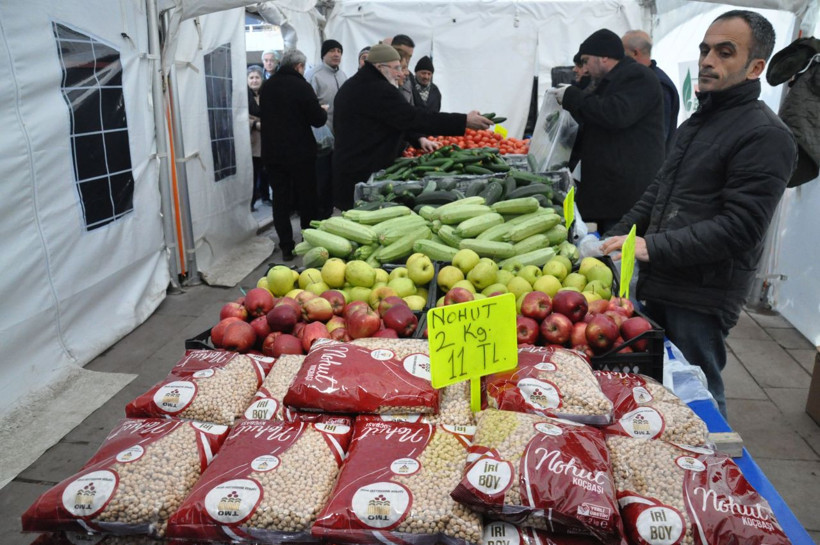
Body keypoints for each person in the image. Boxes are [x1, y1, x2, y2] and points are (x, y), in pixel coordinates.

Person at [600, 10, 798, 419]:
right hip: (663, 281)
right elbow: (658, 192)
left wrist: (650, 246)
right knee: (660, 393)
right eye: (705, 49)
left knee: (697, 398)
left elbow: (740, 227)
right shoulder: (698, 122)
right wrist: (614, 238)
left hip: (703, 295)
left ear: (755, 67)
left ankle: (720, 473)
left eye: (725, 53)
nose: (708, 60)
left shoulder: (766, 135)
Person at [332, 44, 492, 210]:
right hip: (361, 173)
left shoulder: (359, 83)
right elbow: (413, 117)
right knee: (357, 220)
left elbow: (393, 119)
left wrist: (418, 138)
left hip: (352, 168)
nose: (401, 73)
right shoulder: (378, 89)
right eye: (396, 68)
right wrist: (464, 121)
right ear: (380, 67)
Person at [556, 28, 665, 234]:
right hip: (609, 188)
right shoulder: (609, 80)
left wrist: (573, 96)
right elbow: (592, 118)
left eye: (587, 60)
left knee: (619, 248)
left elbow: (614, 114)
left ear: (604, 57)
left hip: (627, 191)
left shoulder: (638, 77)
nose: (584, 67)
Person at [260, 49, 328, 261]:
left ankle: (287, 247)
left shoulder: (267, 86)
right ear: (299, 66)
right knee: (306, 198)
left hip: (273, 153)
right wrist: (322, 109)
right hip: (300, 153)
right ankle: (308, 243)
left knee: (280, 201)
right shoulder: (302, 86)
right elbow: (317, 120)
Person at [306, 39, 348, 219]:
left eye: (339, 50)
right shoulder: (313, 75)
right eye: (332, 50)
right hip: (320, 140)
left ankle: (330, 213)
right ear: (323, 54)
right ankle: (319, 218)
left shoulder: (343, 75)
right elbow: (307, 106)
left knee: (334, 180)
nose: (336, 54)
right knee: (320, 182)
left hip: (339, 140)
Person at [623, 30, 681, 149]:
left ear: (635, 53)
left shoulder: (659, 85)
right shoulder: (640, 81)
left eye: (623, 53)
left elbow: (658, 137)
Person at [247, 65, 269, 211]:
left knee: (267, 171)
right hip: (252, 140)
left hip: (267, 139)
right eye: (251, 78)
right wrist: (255, 123)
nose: (254, 80)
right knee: (253, 172)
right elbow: (239, 116)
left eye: (257, 77)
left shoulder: (268, 94)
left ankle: (266, 196)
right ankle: (251, 201)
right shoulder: (242, 97)